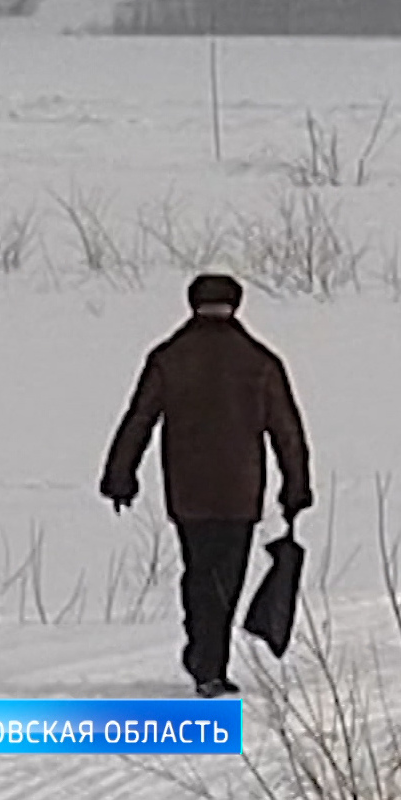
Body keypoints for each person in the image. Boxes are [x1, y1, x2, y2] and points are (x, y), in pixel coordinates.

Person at [100, 273, 313, 698]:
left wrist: (120, 475)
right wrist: (296, 487)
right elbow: (287, 432)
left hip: (188, 490)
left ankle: (203, 654)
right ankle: (209, 663)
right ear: (236, 304)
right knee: (226, 577)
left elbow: (139, 418)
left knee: (198, 569)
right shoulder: (260, 361)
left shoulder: (169, 358)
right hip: (240, 491)